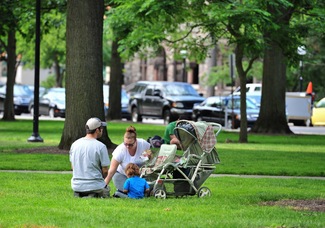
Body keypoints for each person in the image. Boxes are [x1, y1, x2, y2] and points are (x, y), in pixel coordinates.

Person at [69, 117, 110, 198]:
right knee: (107, 190)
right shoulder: (101, 146)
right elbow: (105, 171)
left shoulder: (75, 144)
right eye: (101, 128)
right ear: (97, 130)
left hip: (76, 185)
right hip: (95, 185)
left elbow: (73, 167)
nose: (102, 130)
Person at [105, 126, 150, 196]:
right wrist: (104, 187)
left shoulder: (143, 144)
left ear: (136, 141)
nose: (128, 146)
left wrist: (148, 156)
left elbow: (149, 157)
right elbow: (111, 171)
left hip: (139, 176)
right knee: (134, 192)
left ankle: (121, 193)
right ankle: (119, 193)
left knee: (144, 191)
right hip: (122, 175)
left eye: (130, 145)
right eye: (125, 144)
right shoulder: (120, 150)